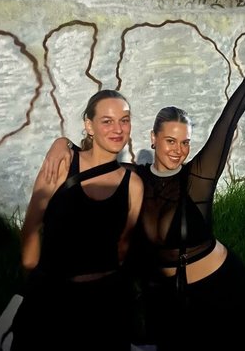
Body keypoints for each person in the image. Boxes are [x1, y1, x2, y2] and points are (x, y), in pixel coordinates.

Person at [43, 25, 245, 351]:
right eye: (170, 141)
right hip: (167, 299)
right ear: (153, 138)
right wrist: (63, 142)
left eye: (185, 142)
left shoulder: (198, 178)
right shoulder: (132, 178)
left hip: (221, 289)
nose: (178, 150)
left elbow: (228, 120)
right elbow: (90, 160)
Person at [9, 89, 144, 351]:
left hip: (105, 306)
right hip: (52, 300)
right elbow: (31, 227)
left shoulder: (133, 185)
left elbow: (123, 246)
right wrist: (34, 284)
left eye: (124, 120)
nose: (118, 129)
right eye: (107, 121)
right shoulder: (62, 164)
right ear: (89, 126)